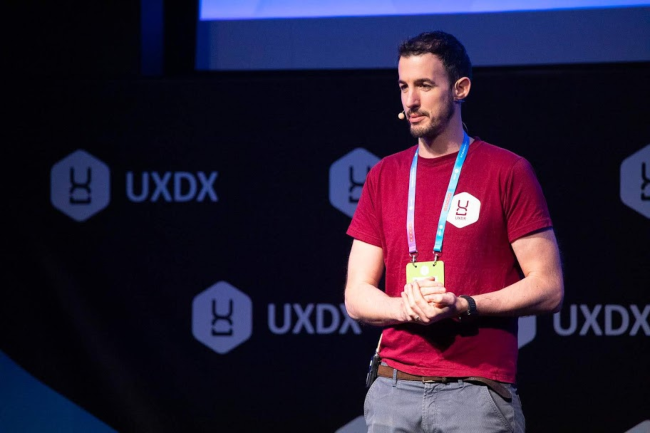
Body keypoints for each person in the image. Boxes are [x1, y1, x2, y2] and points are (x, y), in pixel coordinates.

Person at [344, 31, 564, 432]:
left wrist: (463, 305)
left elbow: (548, 287)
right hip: (394, 390)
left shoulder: (507, 171)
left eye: (425, 85)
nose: (411, 100)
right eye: (403, 86)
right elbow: (356, 296)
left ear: (460, 88)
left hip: (475, 393)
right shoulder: (383, 175)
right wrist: (403, 308)